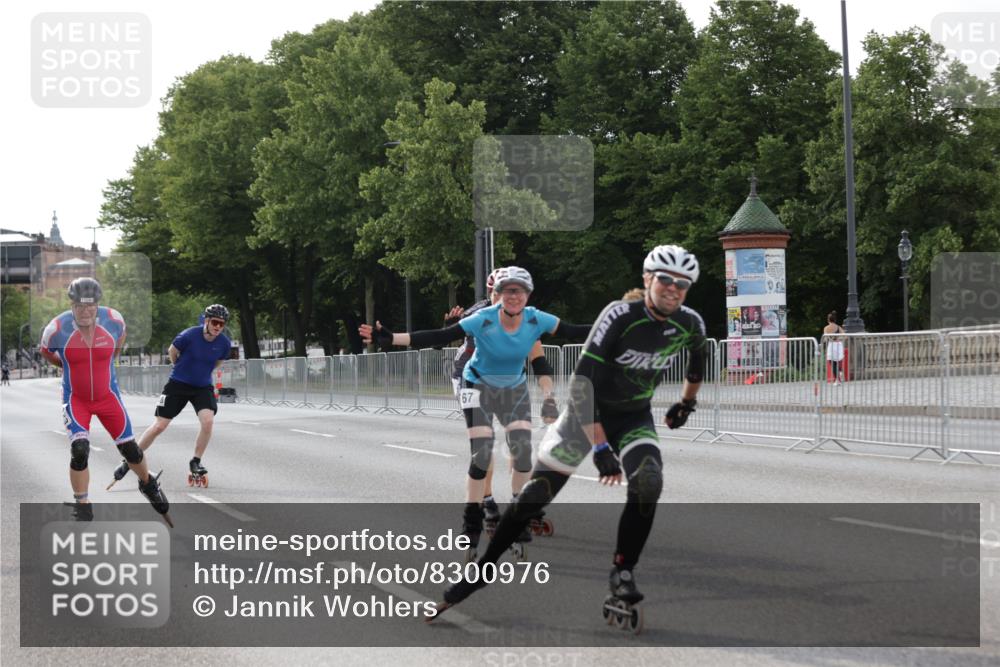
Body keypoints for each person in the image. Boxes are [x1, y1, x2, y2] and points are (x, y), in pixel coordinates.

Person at [430, 245, 707, 622]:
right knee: (534, 498)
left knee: (649, 482)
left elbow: (696, 365)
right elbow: (582, 383)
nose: (673, 289)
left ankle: (623, 571)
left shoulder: (689, 323)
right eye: (665, 280)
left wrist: (686, 404)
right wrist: (601, 447)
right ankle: (480, 573)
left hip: (632, 417)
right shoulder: (620, 316)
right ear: (647, 280)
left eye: (682, 284)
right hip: (584, 415)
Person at [360, 266, 589, 558]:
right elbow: (439, 335)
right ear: (496, 295)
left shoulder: (535, 319)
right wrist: (391, 338)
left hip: (512, 388)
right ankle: (472, 520)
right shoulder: (482, 317)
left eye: (519, 291)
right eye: (506, 291)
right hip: (475, 383)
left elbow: (573, 331)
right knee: (482, 453)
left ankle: (518, 515)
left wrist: (617, 328)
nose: (513, 297)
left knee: (521, 453)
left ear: (528, 295)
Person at [39, 277, 171, 524]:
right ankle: (83, 505)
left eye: (91, 306)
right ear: (71, 304)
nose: (85, 311)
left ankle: (148, 483)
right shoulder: (56, 329)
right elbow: (46, 352)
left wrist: (107, 361)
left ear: (98, 304)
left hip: (107, 396)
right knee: (80, 450)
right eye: (79, 306)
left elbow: (118, 346)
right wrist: (65, 365)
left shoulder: (114, 321)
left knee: (130, 449)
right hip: (76, 398)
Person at [109, 304, 233, 489]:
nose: (218, 327)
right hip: (178, 384)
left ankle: (196, 461)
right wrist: (181, 369)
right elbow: (172, 352)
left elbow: (217, 362)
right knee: (159, 425)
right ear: (206, 321)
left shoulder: (223, 343)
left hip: (201, 386)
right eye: (215, 322)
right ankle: (129, 460)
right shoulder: (189, 335)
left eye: (221, 324)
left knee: (207, 421)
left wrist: (201, 374)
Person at [824, 311, 845, 384]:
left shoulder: (826, 328)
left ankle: (837, 380)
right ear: (835, 320)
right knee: (837, 361)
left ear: (828, 320)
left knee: (832, 363)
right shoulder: (838, 327)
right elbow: (845, 336)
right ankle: (840, 371)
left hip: (831, 345)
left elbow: (825, 338)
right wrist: (839, 339)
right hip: (838, 344)